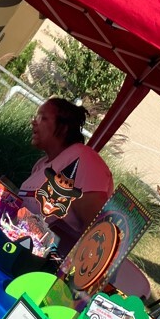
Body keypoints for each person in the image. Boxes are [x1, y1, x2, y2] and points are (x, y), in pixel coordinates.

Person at [18, 98, 114, 256]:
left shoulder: (83, 160)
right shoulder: (42, 164)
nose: (34, 122)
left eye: (43, 117)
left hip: (46, 265)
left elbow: (98, 229)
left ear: (63, 128)